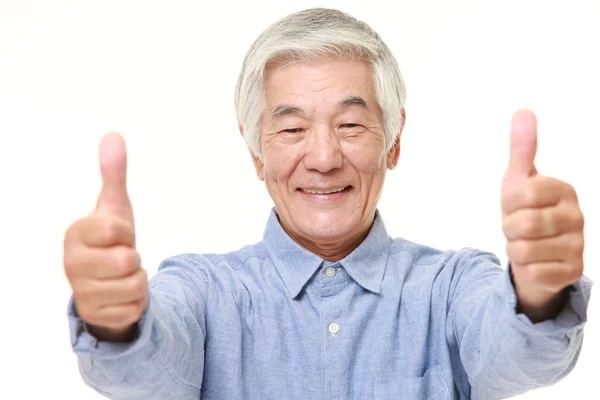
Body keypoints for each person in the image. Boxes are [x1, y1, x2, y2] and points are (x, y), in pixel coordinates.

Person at [64, 7, 592, 399]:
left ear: (394, 140)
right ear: (255, 150)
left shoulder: (449, 287)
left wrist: (538, 294)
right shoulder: (205, 292)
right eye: (292, 127)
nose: (323, 156)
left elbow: (514, 355)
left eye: (351, 125)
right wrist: (115, 321)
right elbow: (146, 367)